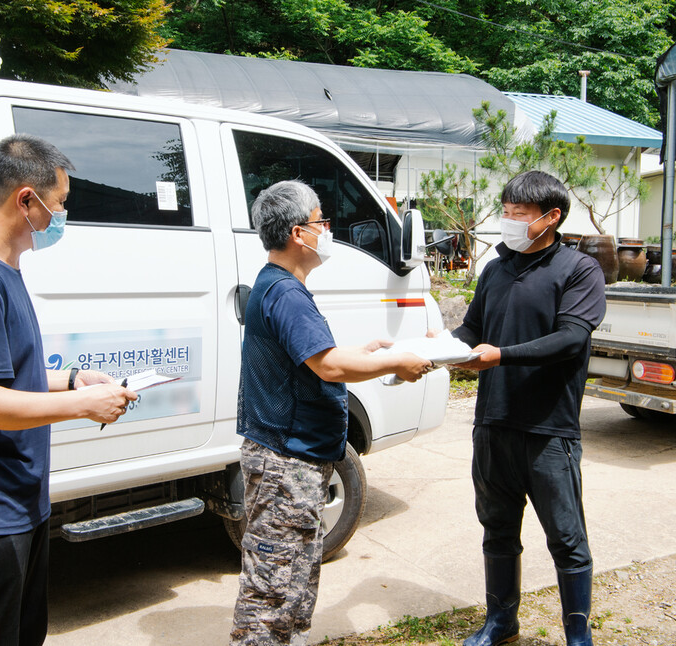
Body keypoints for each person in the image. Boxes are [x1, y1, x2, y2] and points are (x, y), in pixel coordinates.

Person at [0, 134, 137, 646]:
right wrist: (80, 405)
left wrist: (71, 379)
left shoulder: (3, 269)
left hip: (17, 502)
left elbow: (4, 375)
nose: (59, 217)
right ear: (26, 199)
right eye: (58, 204)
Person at [230, 180, 433, 646]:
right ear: (299, 233)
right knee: (272, 596)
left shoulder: (282, 287)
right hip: (286, 461)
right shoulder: (284, 291)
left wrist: (364, 350)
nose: (329, 229)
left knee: (293, 586)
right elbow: (328, 364)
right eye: (322, 220)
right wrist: (393, 361)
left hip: (292, 458)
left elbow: (312, 356)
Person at [450, 170, 606, 646]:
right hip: (492, 425)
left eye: (519, 215)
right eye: (506, 213)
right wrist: (429, 352)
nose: (508, 222)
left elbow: (570, 337)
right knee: (497, 529)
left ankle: (577, 636)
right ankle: (501, 622)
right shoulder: (495, 270)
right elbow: (470, 331)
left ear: (550, 217)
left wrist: (501, 355)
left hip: (548, 431)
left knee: (566, 539)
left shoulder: (579, 270)